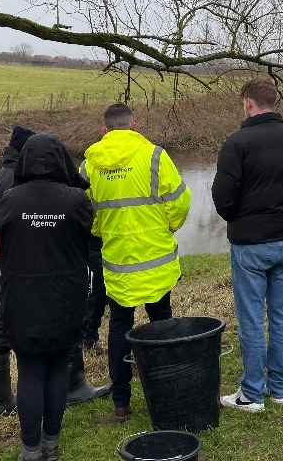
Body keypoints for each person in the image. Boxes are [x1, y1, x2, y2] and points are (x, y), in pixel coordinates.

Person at [0, 126, 107, 421]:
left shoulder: (0, 183)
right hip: (27, 278)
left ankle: (1, 399)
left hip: (7, 276)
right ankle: (8, 399)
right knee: (28, 343)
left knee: (9, 335)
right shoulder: (18, 188)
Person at [80, 103, 191, 423]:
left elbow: (84, 211)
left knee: (119, 325)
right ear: (134, 126)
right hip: (156, 259)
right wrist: (168, 226)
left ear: (104, 131)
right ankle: (166, 386)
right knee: (161, 321)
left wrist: (103, 231)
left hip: (117, 262)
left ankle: (121, 403)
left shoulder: (89, 166)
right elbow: (181, 200)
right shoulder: (155, 156)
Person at [212, 79, 283, 413]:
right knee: (281, 315)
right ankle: (279, 389)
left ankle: (252, 395)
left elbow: (223, 198)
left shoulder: (238, 142)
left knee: (253, 318)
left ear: (249, 102)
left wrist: (240, 216)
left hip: (251, 244)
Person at [0, 124, 36, 420]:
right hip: (10, 267)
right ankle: (1, 400)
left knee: (1, 324)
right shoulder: (15, 180)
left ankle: (0, 398)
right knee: (4, 327)